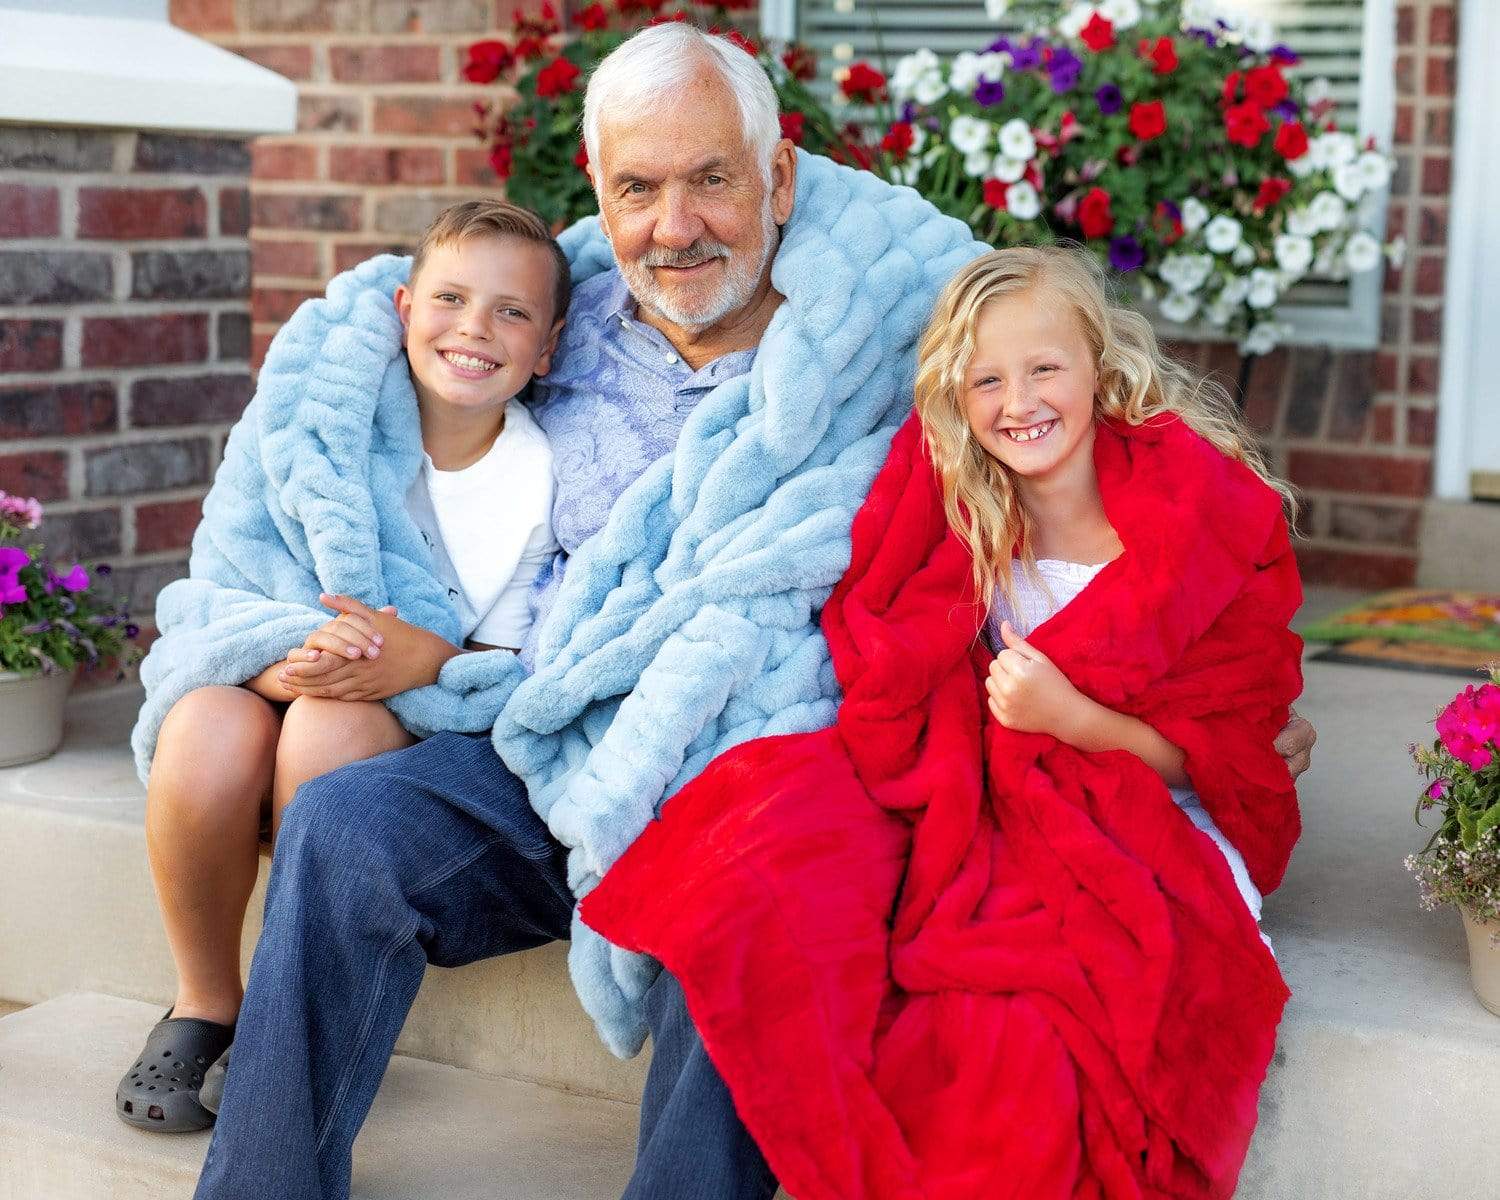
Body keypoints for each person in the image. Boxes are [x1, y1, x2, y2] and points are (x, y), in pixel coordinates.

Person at [192, 25, 1318, 1200]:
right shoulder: (543, 322)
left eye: (710, 178)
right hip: (551, 729)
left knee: (743, 914)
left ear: (779, 175)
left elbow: (1108, 457)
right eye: (638, 187)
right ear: (599, 192)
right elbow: (342, 428)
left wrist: (1223, 706)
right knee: (346, 828)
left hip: (759, 753)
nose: (673, 225)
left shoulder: (890, 330)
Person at [582, 245, 1310, 1199]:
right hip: (976, 775)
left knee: (1016, 1027)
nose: (1021, 402)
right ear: (955, 399)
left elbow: (1229, 758)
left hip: (1148, 807)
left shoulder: (1195, 511)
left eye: (1046, 368)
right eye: (987, 380)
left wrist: (1074, 717)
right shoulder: (959, 503)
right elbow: (891, 648)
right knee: (757, 866)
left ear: (1100, 361)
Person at [119, 200, 567, 1133]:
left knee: (333, 731)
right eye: (450, 297)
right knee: (202, 724)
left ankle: (296, 1014)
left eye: (512, 312)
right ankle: (206, 997)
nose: (475, 328)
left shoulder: (542, 480)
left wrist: (428, 660)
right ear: (404, 308)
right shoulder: (318, 424)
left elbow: (522, 660)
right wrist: (277, 660)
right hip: (276, 668)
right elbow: (224, 583)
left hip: (402, 708)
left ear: (549, 347)